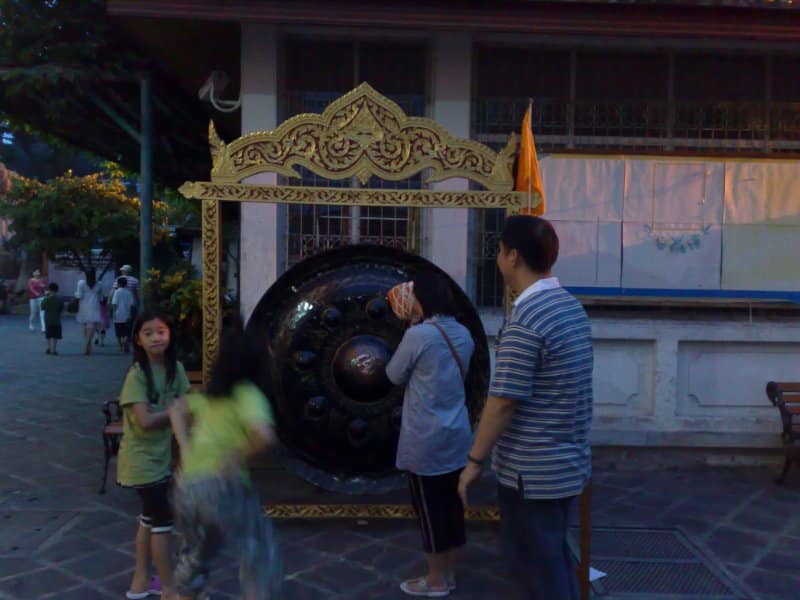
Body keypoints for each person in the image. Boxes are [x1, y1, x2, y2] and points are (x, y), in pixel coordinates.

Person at [458, 216, 593, 600]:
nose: (498, 260)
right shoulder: (570, 308)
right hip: (567, 465)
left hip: (532, 473)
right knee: (555, 564)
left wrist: (473, 463)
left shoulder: (528, 319)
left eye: (499, 253)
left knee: (537, 573)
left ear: (513, 256)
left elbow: (502, 402)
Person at [169, 319, 282, 600]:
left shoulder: (209, 396)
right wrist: (237, 455)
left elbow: (175, 409)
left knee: (195, 557)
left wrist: (184, 448)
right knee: (259, 555)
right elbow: (264, 436)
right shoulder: (247, 394)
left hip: (187, 488)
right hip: (222, 486)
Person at [385, 271, 475, 598]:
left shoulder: (419, 336)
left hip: (426, 435)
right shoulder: (464, 334)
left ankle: (435, 580)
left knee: (428, 510)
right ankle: (447, 574)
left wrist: (408, 329)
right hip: (457, 433)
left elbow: (393, 374)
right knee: (451, 506)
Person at [117, 310, 191, 600]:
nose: (156, 337)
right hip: (141, 461)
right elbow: (146, 421)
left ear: (169, 335)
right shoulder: (137, 375)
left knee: (148, 519)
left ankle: (140, 583)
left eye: (161, 331)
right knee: (162, 523)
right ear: (138, 339)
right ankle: (170, 590)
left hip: (161, 458)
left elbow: (185, 408)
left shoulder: (177, 369)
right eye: (148, 333)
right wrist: (172, 412)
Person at [74, 269, 104, 355]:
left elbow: (79, 295)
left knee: (85, 325)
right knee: (91, 326)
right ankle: (88, 344)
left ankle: (87, 344)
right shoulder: (99, 284)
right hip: (95, 305)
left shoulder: (81, 283)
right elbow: (101, 298)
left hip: (83, 305)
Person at [111, 276, 137, 353]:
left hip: (118, 314)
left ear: (118, 284)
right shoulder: (129, 292)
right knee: (127, 331)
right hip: (127, 314)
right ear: (126, 284)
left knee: (118, 331)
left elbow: (114, 303)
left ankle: (120, 346)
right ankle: (125, 340)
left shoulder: (117, 292)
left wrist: (113, 312)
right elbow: (132, 304)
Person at [40, 282, 64, 355]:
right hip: (57, 319)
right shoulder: (59, 299)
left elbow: (42, 307)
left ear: (49, 290)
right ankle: (54, 349)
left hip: (48, 319)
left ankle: (49, 348)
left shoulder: (46, 299)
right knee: (55, 335)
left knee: (49, 335)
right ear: (57, 290)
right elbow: (61, 308)